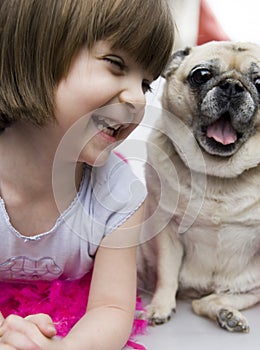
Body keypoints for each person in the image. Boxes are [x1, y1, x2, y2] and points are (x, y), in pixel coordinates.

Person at [0, 0, 174, 349]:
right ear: (37, 50)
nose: (137, 100)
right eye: (115, 64)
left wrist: (63, 348)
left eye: (146, 84)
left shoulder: (121, 196)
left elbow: (111, 307)